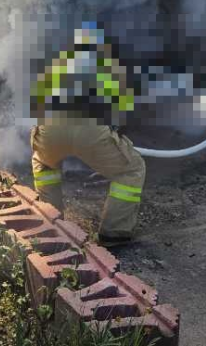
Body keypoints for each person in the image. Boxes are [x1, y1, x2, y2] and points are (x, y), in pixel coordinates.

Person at [30, 22, 146, 247]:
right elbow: (123, 109)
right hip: (90, 128)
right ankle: (114, 232)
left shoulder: (57, 64)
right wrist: (117, 133)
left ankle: (51, 221)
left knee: (43, 164)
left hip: (50, 128)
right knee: (132, 169)